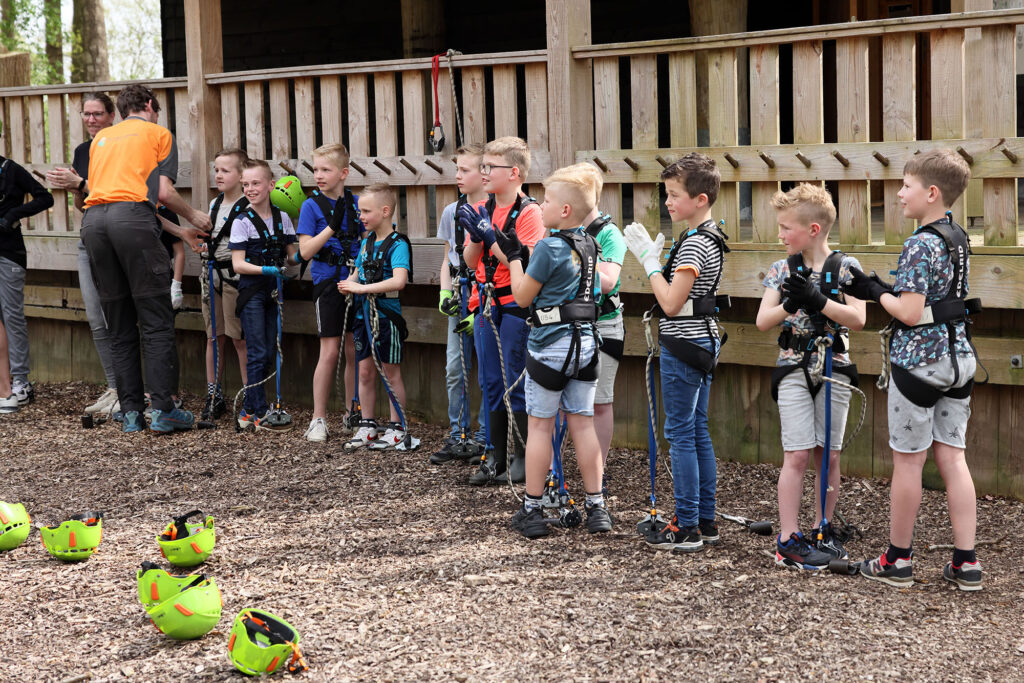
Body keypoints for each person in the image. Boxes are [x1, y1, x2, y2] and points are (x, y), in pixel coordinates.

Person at [846, 150, 982, 591]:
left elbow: (908, 311)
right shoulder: (957, 236)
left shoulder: (920, 242)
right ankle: (966, 563)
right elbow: (936, 300)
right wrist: (891, 291)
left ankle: (897, 560)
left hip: (919, 365)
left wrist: (872, 291)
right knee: (954, 459)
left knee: (908, 463)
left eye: (905, 186)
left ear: (932, 193)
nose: (899, 194)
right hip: (959, 361)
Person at [485, 164, 610, 539]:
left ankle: (533, 508)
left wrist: (516, 257)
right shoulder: (592, 245)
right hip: (587, 344)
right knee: (582, 423)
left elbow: (522, 296)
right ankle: (597, 506)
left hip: (550, 346)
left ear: (565, 211)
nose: (540, 205)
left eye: (548, 200)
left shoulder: (549, 246)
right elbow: (597, 293)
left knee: (541, 425)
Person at [80, 84, 212, 434]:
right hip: (131, 223)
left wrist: (177, 231)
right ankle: (164, 410)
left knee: (119, 323)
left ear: (121, 111)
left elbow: (112, 198)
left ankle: (133, 414)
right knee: (155, 319)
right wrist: (194, 217)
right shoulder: (158, 133)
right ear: (151, 105)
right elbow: (162, 193)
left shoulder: (102, 139)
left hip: (94, 225)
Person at [755, 183, 866, 569]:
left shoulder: (846, 268)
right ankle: (788, 539)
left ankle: (824, 528)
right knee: (798, 452)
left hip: (835, 365)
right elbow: (762, 321)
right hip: (793, 365)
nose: (780, 234)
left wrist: (820, 300)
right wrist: (790, 302)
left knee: (829, 453)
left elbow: (859, 318)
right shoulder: (782, 269)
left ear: (813, 230)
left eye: (787, 227)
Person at [624, 153, 729, 552]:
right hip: (701, 340)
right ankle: (705, 519)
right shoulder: (709, 236)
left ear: (700, 199)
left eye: (674, 194)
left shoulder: (694, 245)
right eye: (665, 193)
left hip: (684, 343)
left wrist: (650, 264)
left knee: (681, 433)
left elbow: (670, 304)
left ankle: (685, 526)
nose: (667, 202)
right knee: (697, 429)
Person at [459, 136, 545, 485]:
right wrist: (477, 236)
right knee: (490, 380)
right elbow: (469, 260)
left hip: (514, 304)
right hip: (484, 301)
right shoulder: (483, 207)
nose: (483, 173)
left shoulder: (530, 213)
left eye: (489, 167)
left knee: (516, 380)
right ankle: (494, 453)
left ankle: (522, 454)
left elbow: (521, 262)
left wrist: (489, 235)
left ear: (513, 172)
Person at [46, 92, 120, 416]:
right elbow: (82, 202)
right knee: (95, 317)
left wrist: (82, 182)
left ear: (111, 115)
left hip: (116, 238)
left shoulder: (120, 145)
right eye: (86, 114)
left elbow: (116, 192)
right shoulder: (82, 150)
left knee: (117, 315)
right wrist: (74, 187)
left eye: (97, 114)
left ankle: (130, 389)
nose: (91, 120)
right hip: (88, 235)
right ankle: (114, 385)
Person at [295, 143, 362, 442]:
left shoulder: (358, 203)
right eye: (315, 170)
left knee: (354, 351)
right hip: (327, 284)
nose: (318, 175)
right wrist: (331, 228)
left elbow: (369, 241)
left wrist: (358, 275)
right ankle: (318, 418)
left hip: (356, 282)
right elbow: (305, 251)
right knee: (330, 351)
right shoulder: (311, 206)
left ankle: (352, 413)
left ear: (343, 173)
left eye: (326, 170)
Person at [338, 183, 413, 450]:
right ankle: (367, 425)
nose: (361, 216)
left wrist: (362, 288)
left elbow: (399, 281)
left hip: (387, 317)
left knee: (391, 373)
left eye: (366, 211)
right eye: (360, 211)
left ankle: (397, 426)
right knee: (365, 371)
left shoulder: (398, 244)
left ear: (384, 211)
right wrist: (349, 284)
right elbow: (357, 271)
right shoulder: (366, 242)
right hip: (362, 316)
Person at [229, 159, 298, 431]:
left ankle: (250, 409)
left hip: (275, 291)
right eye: (245, 184)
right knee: (256, 350)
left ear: (271, 185)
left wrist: (301, 255)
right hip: (252, 293)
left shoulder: (283, 218)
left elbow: (293, 257)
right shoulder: (242, 221)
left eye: (255, 183)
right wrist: (266, 268)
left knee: (269, 349)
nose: (249, 189)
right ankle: (256, 411)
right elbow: (238, 264)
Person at [431, 143, 488, 464]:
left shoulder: (494, 211)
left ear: (484, 173)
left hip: (487, 299)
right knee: (455, 368)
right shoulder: (452, 212)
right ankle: (458, 434)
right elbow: (447, 260)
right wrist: (444, 292)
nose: (458, 176)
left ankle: (485, 436)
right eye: (457, 169)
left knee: (487, 372)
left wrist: (479, 308)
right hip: (459, 295)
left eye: (465, 170)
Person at [574, 163, 625, 495]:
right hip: (567, 327)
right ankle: (554, 474)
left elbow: (607, 282)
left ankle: (598, 472)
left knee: (600, 403)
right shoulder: (556, 231)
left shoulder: (609, 233)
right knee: (566, 404)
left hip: (603, 326)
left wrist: (572, 260)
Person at [0, 119, 55, 406]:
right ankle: (3, 382)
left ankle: (21, 381)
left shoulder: (10, 170)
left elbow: (45, 198)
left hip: (8, 254)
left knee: (12, 317)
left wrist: (12, 216)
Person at [199, 148, 250, 420]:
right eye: (216, 170)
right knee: (213, 337)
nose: (218, 175)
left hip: (235, 279)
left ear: (242, 175)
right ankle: (213, 393)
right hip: (211, 276)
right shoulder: (214, 204)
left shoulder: (247, 204)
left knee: (238, 338)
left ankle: (248, 395)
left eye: (225, 170)